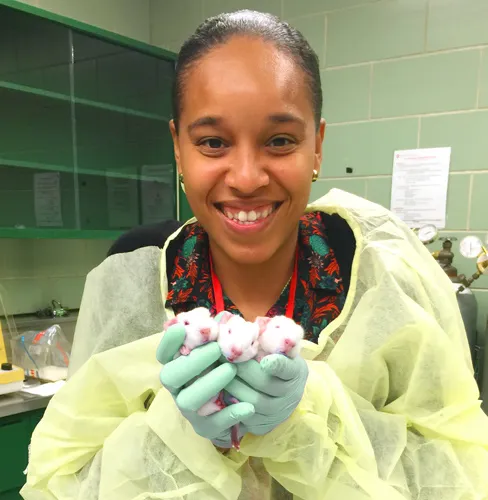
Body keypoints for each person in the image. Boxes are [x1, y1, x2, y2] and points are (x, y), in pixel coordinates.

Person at [22, 10, 488, 500]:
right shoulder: (130, 289)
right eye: (213, 142)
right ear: (178, 150)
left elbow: (460, 475)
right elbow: (60, 482)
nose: (246, 177)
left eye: (280, 140)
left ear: (318, 147)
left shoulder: (385, 279)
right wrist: (179, 431)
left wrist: (308, 420)